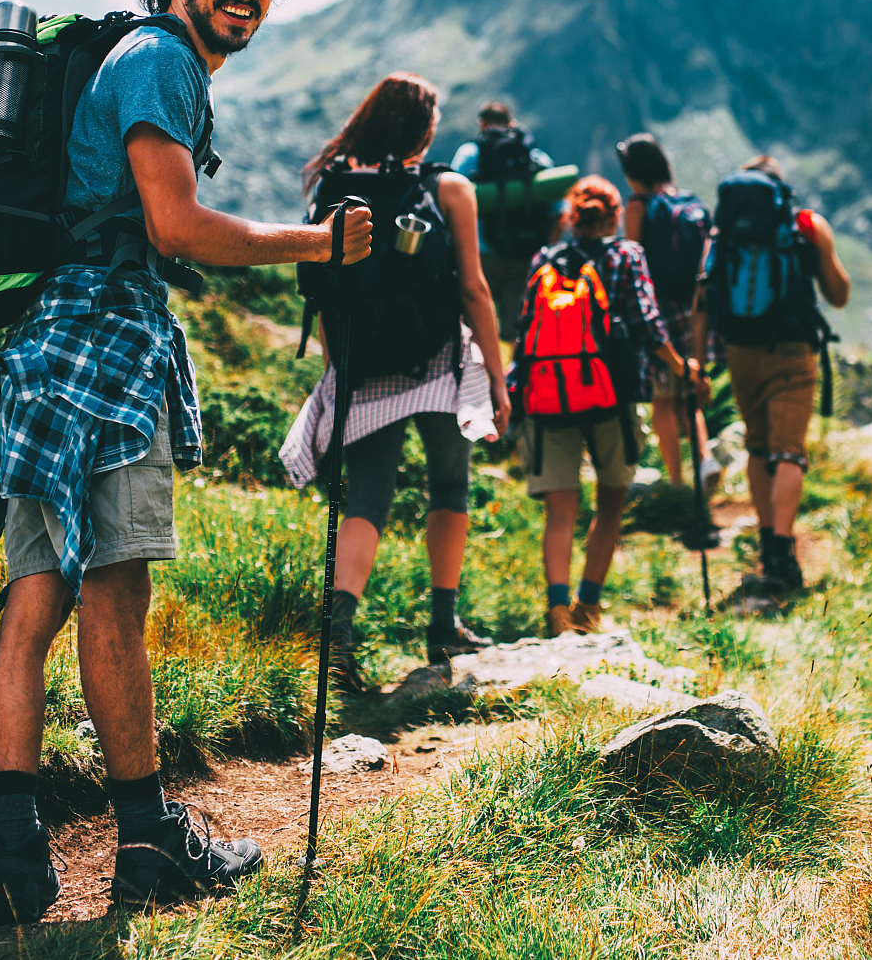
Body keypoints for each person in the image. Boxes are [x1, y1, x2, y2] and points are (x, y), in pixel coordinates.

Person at [0, 0, 373, 922]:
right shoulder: (160, 62)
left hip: (45, 351)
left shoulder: (137, 61)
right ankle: (144, 844)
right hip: (106, 355)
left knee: (34, 600)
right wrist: (320, 242)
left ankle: (16, 861)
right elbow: (177, 228)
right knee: (114, 606)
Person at [279, 72, 513, 693]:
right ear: (426, 128)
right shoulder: (448, 188)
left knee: (368, 498)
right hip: (438, 358)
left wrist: (341, 368)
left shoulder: (333, 186)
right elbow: (473, 288)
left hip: (366, 365)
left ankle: (340, 634)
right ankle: (443, 624)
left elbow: (324, 287)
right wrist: (496, 374)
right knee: (449, 486)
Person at [510, 177, 699, 636]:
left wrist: (515, 398)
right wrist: (682, 368)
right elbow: (648, 325)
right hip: (611, 397)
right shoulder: (625, 256)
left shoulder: (546, 258)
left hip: (551, 397)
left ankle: (557, 611)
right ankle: (588, 606)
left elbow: (524, 334)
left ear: (571, 215)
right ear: (614, 214)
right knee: (611, 500)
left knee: (561, 510)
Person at [692, 155, 850, 594]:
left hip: (741, 351)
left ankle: (766, 545)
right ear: (780, 190)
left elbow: (702, 299)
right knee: (789, 452)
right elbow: (837, 295)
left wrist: (697, 363)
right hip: (793, 349)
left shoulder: (722, 233)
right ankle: (782, 550)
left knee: (759, 448)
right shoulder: (803, 225)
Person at [617, 134, 717, 495]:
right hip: (691, 308)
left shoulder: (638, 206)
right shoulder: (684, 201)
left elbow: (634, 261)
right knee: (688, 387)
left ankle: (676, 482)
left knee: (662, 399)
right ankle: (705, 459)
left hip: (656, 309)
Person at [450, 101, 560, 331]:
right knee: (520, 328)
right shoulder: (534, 156)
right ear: (511, 124)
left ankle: (483, 367)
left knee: (473, 326)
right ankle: (514, 366)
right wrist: (546, 247)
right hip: (525, 254)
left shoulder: (470, 154)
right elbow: (559, 210)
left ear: (481, 124)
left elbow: (450, 201)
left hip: (482, 257)